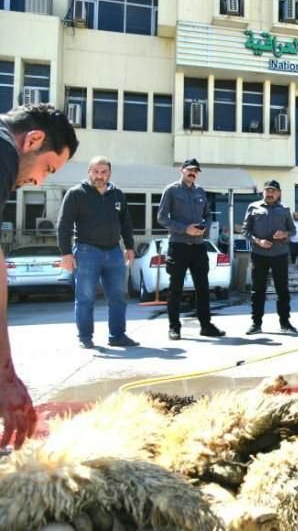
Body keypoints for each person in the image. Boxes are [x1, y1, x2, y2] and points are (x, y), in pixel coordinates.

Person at [0, 103, 79, 449]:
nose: (39, 180)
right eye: (47, 168)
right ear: (32, 140)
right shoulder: (4, 149)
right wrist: (5, 375)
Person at [57, 156, 138, 349]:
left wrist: (129, 247)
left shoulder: (117, 194)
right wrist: (66, 253)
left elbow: (125, 223)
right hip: (86, 252)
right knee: (85, 297)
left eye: (104, 172)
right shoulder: (76, 194)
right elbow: (63, 225)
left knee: (118, 297)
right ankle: (85, 337)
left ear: (109, 173)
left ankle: (117, 336)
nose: (99, 176)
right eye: (96, 171)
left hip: (114, 252)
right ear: (89, 172)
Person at [157, 159, 226, 340]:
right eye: (190, 169)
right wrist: (184, 229)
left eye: (196, 170)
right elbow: (162, 217)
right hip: (179, 246)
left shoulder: (200, 191)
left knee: (203, 288)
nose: (193, 173)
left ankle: (206, 326)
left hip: (198, 246)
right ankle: (174, 327)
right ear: (181, 170)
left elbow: (208, 215)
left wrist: (204, 227)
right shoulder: (171, 190)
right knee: (176, 289)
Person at [243, 180, 297, 334]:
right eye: (268, 190)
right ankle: (256, 324)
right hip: (259, 255)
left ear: (278, 193)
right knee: (257, 291)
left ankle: (285, 323)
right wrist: (258, 241)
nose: (270, 193)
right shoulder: (253, 207)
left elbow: (293, 230)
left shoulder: (285, 209)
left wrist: (284, 234)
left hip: (280, 255)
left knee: (282, 291)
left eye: (273, 191)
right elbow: (246, 231)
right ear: (263, 192)